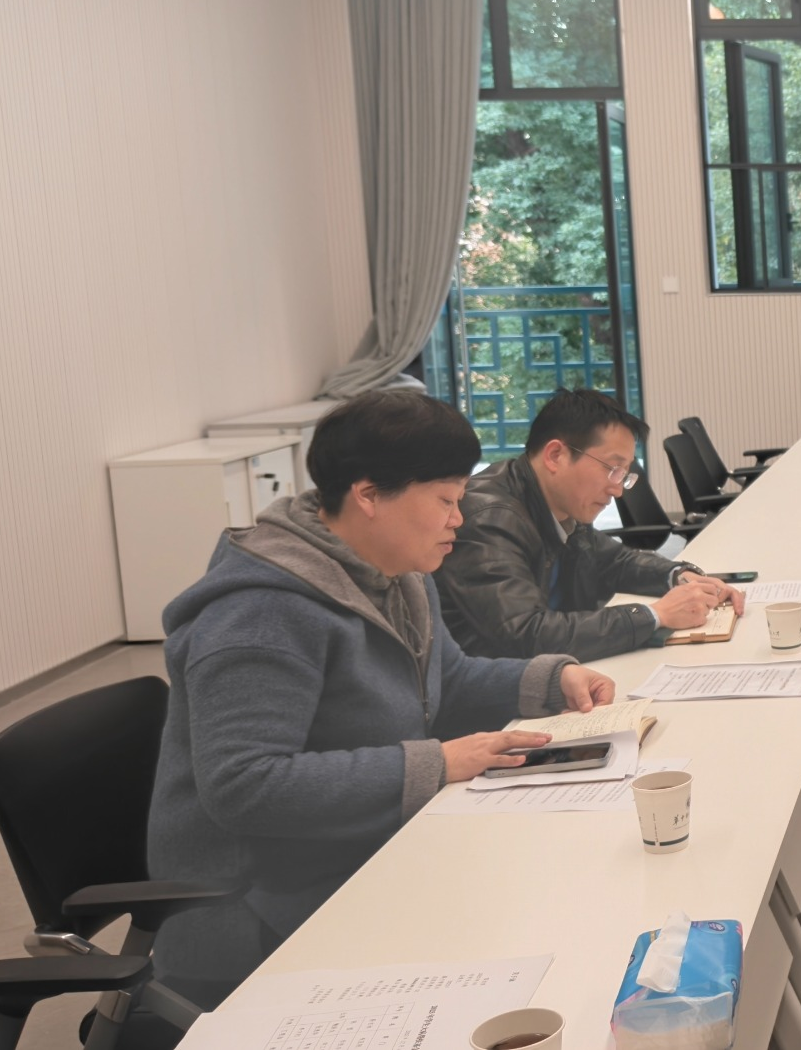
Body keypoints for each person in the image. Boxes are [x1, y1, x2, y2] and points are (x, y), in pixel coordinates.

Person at [150, 391, 617, 1003]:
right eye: (446, 501)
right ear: (369, 496)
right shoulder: (260, 613)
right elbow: (245, 784)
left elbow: (446, 680)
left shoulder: (397, 573)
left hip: (364, 852)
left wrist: (552, 680)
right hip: (261, 911)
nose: (459, 519)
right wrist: (437, 763)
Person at [437, 388, 740, 661]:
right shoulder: (488, 518)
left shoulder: (563, 504)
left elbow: (616, 561)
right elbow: (527, 634)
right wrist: (655, 615)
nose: (617, 489)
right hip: (503, 694)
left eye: (624, 474)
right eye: (612, 469)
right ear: (555, 455)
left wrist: (679, 576)